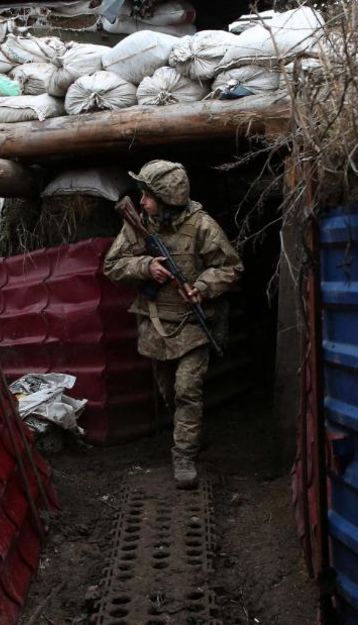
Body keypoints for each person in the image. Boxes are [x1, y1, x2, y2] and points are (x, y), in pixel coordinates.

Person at [103, 160, 243, 489]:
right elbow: (112, 265)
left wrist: (204, 286)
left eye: (149, 195)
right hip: (156, 323)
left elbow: (231, 267)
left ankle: (184, 456)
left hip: (193, 322)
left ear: (168, 198)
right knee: (168, 390)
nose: (142, 201)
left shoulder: (202, 226)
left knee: (187, 391)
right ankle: (189, 433)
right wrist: (145, 266)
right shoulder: (138, 224)